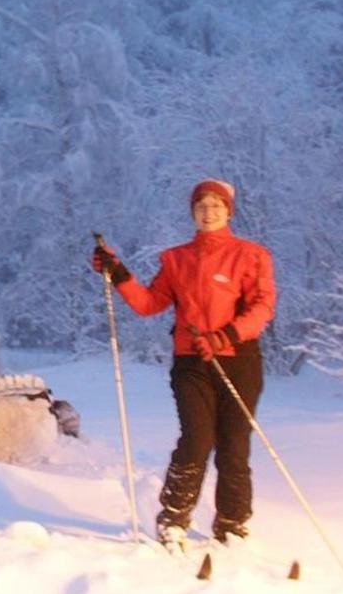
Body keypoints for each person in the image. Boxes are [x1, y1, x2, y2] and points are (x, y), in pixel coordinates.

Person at [91, 178, 276, 548]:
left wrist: (226, 336)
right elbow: (148, 304)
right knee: (197, 438)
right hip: (191, 362)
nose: (209, 212)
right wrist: (120, 274)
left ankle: (232, 524)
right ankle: (173, 518)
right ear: (192, 212)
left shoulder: (251, 255)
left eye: (216, 206)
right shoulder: (176, 260)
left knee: (234, 445)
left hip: (239, 360)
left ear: (228, 211)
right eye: (201, 206)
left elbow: (262, 307)